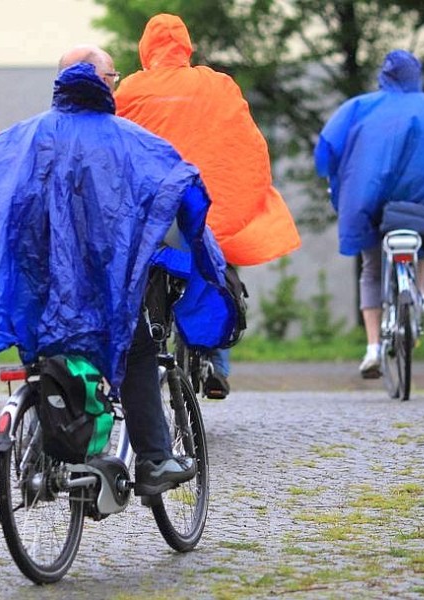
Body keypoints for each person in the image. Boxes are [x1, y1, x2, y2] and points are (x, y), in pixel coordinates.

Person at [0, 45, 236, 495]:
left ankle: (52, 442)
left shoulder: (23, 140)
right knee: (137, 348)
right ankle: (156, 461)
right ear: (103, 83)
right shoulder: (130, 141)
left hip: (40, 292)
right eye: (114, 77)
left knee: (51, 354)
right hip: (103, 291)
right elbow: (179, 189)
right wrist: (202, 259)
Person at [114, 13, 301, 398]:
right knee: (215, 261)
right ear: (186, 47)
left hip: (153, 215)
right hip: (206, 208)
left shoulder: (131, 89)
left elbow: (113, 147)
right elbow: (247, 143)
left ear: (146, 49)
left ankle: (143, 353)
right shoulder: (217, 85)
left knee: (140, 271)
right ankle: (215, 362)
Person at [315, 49, 424, 378]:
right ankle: (422, 294)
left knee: (370, 269)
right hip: (422, 207)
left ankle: (372, 349)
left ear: (385, 75)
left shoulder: (361, 107)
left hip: (374, 205)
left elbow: (332, 147)